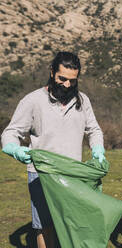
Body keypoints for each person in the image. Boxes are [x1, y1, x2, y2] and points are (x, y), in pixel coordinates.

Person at [1, 51, 105, 248]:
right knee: (44, 225)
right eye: (62, 79)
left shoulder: (82, 101)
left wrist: (97, 148)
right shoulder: (33, 100)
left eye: (72, 81)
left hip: (73, 173)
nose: (67, 85)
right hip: (42, 174)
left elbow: (94, 129)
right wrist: (14, 149)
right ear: (51, 72)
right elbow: (10, 132)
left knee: (71, 223)